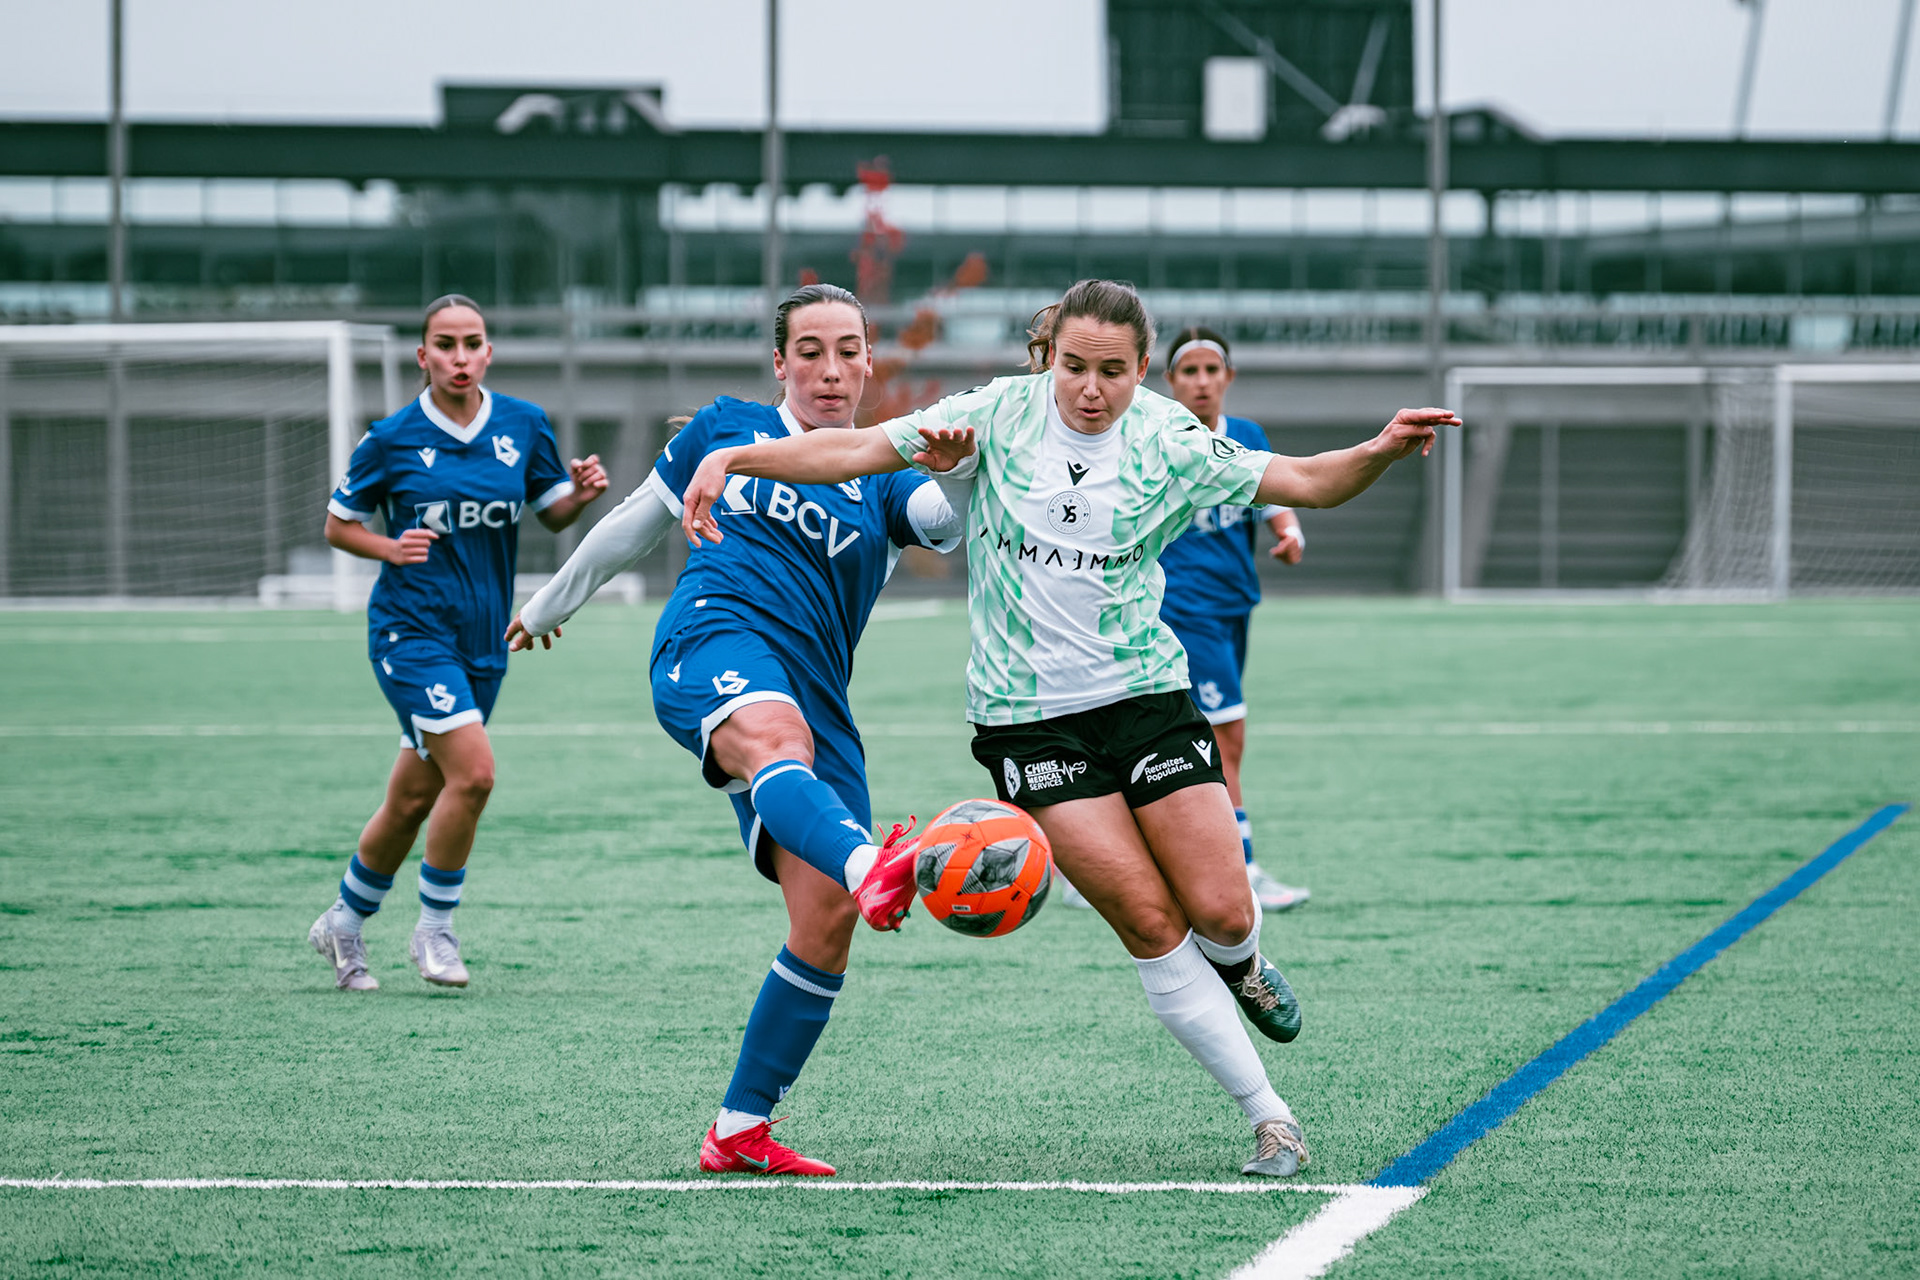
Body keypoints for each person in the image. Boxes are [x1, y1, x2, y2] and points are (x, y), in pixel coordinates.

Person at [680, 278, 1456, 1178]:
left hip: (1144, 700)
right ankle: (1270, 1116)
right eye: (1075, 367)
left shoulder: (1170, 437)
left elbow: (1310, 483)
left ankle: (1242, 962)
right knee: (1147, 917)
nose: (1091, 388)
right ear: (1050, 359)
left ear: (1141, 370)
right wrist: (738, 460)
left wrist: (1383, 449)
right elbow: (852, 450)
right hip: (1027, 726)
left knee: (1221, 908)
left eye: (1113, 371)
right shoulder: (999, 413)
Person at [505, 283, 965, 1178]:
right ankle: (874, 863)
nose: (831, 371)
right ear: (781, 362)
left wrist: (956, 465)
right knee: (776, 747)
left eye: (848, 351)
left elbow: (945, 527)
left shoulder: (883, 464)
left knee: (824, 922)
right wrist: (550, 600)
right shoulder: (727, 426)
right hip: (713, 637)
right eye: (810, 352)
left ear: (872, 361)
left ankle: (739, 1128)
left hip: (820, 695)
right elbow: (634, 524)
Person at [308, 294, 608, 992]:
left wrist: (582, 495)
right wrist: (390, 545)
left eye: (472, 342)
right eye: (445, 344)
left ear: (489, 352)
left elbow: (551, 512)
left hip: (485, 639)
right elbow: (337, 524)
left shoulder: (523, 425)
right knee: (473, 774)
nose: (460, 356)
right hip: (410, 631)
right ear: (424, 357)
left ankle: (343, 922)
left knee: (415, 798)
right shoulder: (391, 438)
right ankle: (435, 930)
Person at [1158, 325, 1310, 912]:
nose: (1201, 382)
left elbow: (1273, 495)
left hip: (1234, 604)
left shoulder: (1246, 436)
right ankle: (1240, 872)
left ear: (1228, 378)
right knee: (1226, 739)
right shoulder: (1160, 438)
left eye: (1210, 371)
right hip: (1183, 608)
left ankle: (1096, 863)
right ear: (1169, 381)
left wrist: (1290, 531)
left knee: (1191, 737)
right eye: (1189, 372)